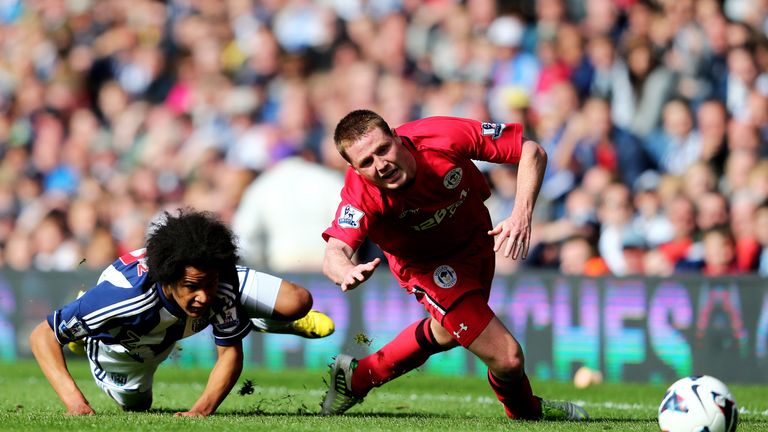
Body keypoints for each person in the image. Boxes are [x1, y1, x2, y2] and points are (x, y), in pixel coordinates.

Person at [319, 109, 588, 421]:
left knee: (447, 333)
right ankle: (527, 411)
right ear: (354, 169)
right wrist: (346, 271)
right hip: (428, 270)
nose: (381, 165)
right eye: (366, 162)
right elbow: (334, 252)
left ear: (396, 136)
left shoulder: (442, 135)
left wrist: (521, 214)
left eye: (383, 149)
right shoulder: (361, 193)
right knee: (508, 358)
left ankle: (356, 377)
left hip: (475, 242)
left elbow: (532, 150)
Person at [29, 209, 334, 416]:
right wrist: (75, 403)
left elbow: (230, 355)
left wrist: (200, 410)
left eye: (209, 282)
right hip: (127, 346)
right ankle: (85, 335)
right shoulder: (124, 299)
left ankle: (255, 318)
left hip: (185, 308)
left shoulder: (215, 282)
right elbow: (42, 335)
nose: (203, 296)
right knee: (137, 406)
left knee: (297, 302)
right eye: (193, 286)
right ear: (169, 278)